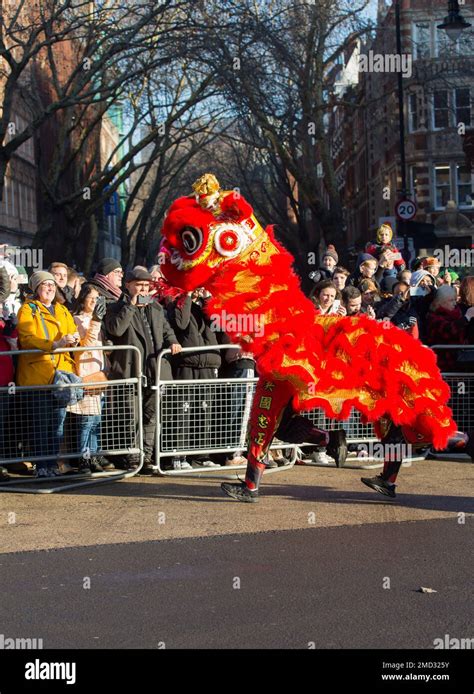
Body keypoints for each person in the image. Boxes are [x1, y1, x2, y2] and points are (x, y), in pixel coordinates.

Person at [105, 268, 182, 474]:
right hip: (131, 370)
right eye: (139, 285)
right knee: (132, 416)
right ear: (128, 285)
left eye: (147, 286)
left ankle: (145, 458)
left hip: (155, 371)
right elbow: (116, 329)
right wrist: (129, 307)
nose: (144, 289)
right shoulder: (114, 307)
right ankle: (132, 458)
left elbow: (167, 330)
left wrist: (173, 342)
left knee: (150, 417)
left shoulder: (155, 307)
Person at [16, 271, 80, 478]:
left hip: (60, 376)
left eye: (53, 285)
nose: (51, 288)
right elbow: (26, 338)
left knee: (57, 425)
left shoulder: (62, 309)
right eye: (45, 285)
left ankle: (52, 464)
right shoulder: (28, 309)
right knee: (40, 425)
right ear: (36, 288)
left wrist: (74, 339)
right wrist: (54, 345)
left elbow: (73, 332)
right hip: (37, 376)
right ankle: (41, 466)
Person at [167, 287, 223, 469]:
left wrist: (207, 298)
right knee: (183, 411)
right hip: (186, 364)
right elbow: (180, 323)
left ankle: (201, 455)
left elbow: (218, 323)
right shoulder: (177, 302)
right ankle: (179, 456)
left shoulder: (205, 304)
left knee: (204, 412)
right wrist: (187, 295)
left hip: (207, 363)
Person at [69, 284, 114, 474]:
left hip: (99, 372)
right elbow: (84, 345)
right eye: (91, 298)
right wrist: (95, 321)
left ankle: (94, 454)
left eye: (98, 299)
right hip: (86, 373)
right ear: (83, 299)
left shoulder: (98, 320)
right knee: (86, 422)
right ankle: (84, 458)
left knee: (96, 420)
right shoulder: (76, 319)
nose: (95, 302)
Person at [425, 285, 473, 370]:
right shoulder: (434, 317)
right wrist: (466, 318)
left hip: (462, 360)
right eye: (451, 300)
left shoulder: (457, 313)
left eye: (455, 299)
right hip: (445, 362)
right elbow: (449, 331)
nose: (454, 303)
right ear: (440, 302)